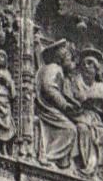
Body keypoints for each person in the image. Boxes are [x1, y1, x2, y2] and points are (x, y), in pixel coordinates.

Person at [69, 50, 103, 176]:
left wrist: (92, 98)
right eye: (85, 63)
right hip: (79, 114)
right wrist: (90, 97)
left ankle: (100, 169)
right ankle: (84, 165)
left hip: (95, 118)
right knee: (82, 129)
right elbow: (74, 96)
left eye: (91, 64)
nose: (87, 66)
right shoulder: (76, 81)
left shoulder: (100, 86)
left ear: (96, 69)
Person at [34, 39, 80, 169]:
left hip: (48, 106)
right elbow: (49, 88)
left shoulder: (53, 69)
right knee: (70, 129)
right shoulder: (55, 69)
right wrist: (64, 105)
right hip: (46, 108)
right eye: (69, 58)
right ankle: (50, 155)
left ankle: (62, 161)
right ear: (62, 58)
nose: (71, 63)